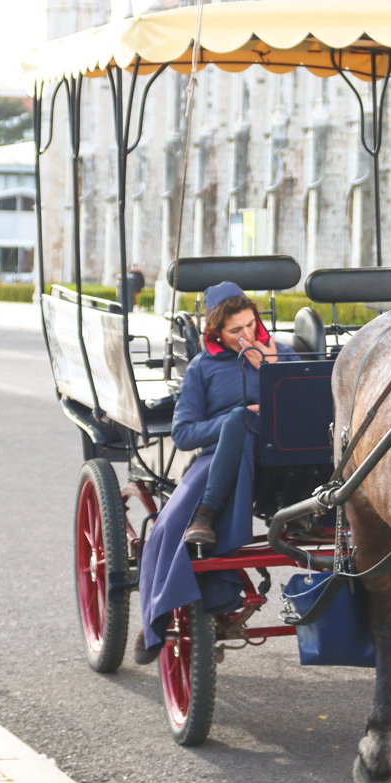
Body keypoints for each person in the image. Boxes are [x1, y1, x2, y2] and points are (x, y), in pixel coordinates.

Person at [134, 281, 296, 664]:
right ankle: (156, 611)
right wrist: (231, 423)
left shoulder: (281, 355)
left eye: (250, 326)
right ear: (215, 334)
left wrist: (272, 373)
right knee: (168, 527)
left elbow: (312, 409)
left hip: (283, 461)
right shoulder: (202, 368)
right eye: (235, 331)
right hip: (218, 459)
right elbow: (183, 433)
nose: (246, 337)